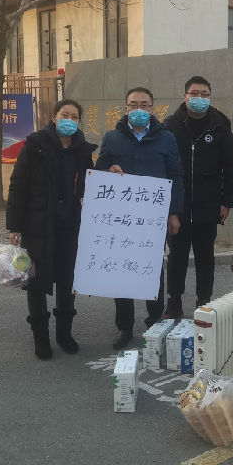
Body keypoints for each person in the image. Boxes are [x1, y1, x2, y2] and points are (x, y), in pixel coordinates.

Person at [95, 87, 185, 350]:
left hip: (153, 218)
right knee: (121, 271)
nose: (139, 109)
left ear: (152, 109)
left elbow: (176, 176)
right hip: (120, 218)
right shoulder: (112, 138)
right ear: (125, 108)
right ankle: (124, 326)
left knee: (152, 271)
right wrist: (108, 171)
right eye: (133, 105)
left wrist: (174, 212)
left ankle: (155, 322)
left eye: (144, 105)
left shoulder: (166, 139)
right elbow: (99, 172)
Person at [6, 99, 96, 360]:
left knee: (68, 283)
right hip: (38, 226)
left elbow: (91, 184)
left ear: (79, 121)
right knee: (37, 283)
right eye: (64, 115)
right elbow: (18, 185)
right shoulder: (35, 146)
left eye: (74, 117)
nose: (69, 120)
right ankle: (41, 338)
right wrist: (14, 226)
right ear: (54, 117)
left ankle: (64, 335)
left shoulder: (82, 150)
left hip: (70, 227)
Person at [163, 76, 233, 318]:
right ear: (185, 96)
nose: (199, 98)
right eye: (194, 93)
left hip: (209, 204)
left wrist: (226, 201)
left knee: (206, 256)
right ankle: (174, 301)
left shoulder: (220, 125)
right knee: (177, 256)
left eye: (204, 94)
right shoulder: (171, 125)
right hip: (179, 205)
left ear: (210, 97)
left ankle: (203, 300)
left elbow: (230, 166)